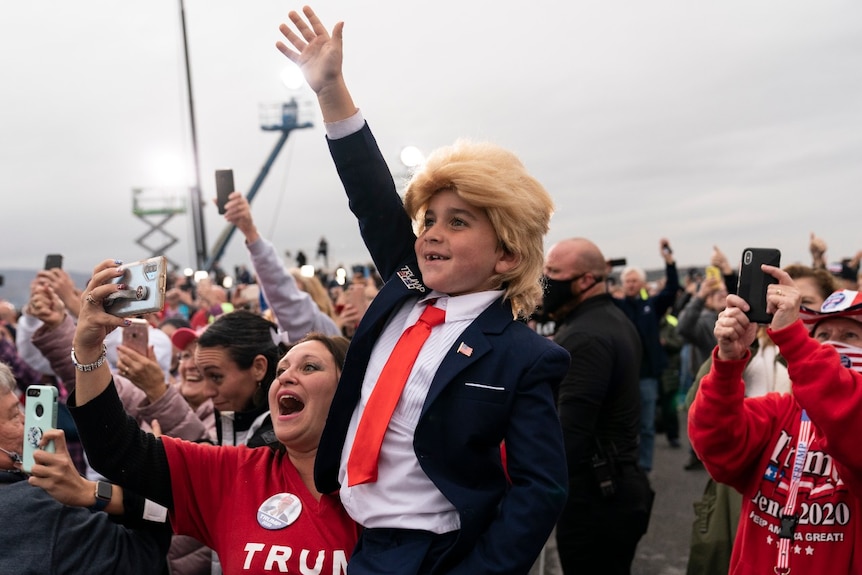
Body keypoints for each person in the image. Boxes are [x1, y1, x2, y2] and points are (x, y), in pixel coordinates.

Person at [277, 8, 570, 573]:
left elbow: (542, 489)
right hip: (359, 536)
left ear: (506, 254)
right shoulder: (405, 287)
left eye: (458, 223)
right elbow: (371, 196)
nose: (432, 232)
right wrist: (333, 91)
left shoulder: (525, 355)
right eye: (429, 219)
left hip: (437, 553)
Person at [68, 271, 360, 574]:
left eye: (309, 367)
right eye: (282, 370)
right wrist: (88, 349)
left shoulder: (383, 485)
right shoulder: (234, 474)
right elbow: (116, 450)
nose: (285, 375)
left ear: (347, 390)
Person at [689, 268, 862, 574]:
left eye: (850, 335)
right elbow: (717, 448)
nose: (833, 344)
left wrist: (794, 341)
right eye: (822, 335)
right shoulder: (779, 410)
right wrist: (727, 364)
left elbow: (848, 421)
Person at [542, 238, 654, 574]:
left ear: (586, 280)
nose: (545, 282)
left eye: (554, 273)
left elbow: (569, 436)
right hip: (614, 491)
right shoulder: (609, 319)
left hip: (597, 499)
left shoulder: (587, 335)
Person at [0, 362, 170, 575]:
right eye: (15, 415)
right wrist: (149, 470)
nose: (26, 423)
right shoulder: (40, 507)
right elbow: (143, 555)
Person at [221, 191, 341, 340]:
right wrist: (239, 313)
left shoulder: (321, 327)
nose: (280, 295)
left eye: (294, 289)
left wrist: (251, 233)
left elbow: (282, 294)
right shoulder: (271, 332)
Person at [615, 239, 680, 472]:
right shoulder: (616, 307)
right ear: (622, 284)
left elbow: (672, 289)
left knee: (647, 425)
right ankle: (626, 464)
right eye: (627, 281)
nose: (631, 284)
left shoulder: (651, 305)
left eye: (634, 280)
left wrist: (669, 261)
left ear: (642, 283)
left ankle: (644, 467)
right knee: (623, 425)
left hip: (647, 376)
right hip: (622, 376)